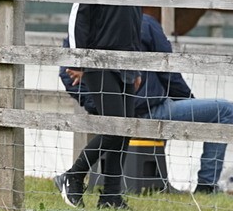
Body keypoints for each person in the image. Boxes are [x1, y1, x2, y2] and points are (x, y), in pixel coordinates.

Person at [57, 14, 232, 198]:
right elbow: (169, 73)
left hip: (115, 114)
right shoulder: (144, 23)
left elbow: (69, 79)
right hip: (150, 109)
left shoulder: (79, 31)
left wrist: (107, 108)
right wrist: (188, 102)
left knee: (118, 126)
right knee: (224, 111)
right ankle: (207, 186)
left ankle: (105, 190)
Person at [53, 0, 147, 210]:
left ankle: (110, 197)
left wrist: (136, 66)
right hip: (97, 62)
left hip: (126, 65)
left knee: (125, 129)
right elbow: (78, 15)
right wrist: (78, 58)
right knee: (114, 126)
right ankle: (73, 175)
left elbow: (133, 25)